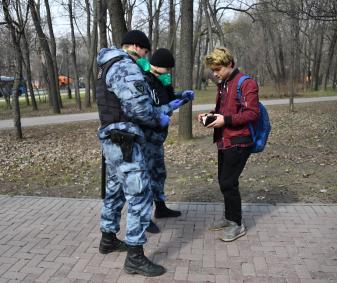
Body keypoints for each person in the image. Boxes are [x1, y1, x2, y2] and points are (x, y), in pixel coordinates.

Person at [96, 30, 187, 277]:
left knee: (114, 191)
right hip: (125, 141)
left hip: (112, 139)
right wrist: (160, 116)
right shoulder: (125, 66)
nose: (145, 58)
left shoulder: (107, 64)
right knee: (140, 195)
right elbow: (139, 107)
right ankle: (135, 256)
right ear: (136, 47)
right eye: (145, 52)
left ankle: (108, 238)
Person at [198, 47, 259, 242]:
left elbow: (252, 113)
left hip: (239, 141)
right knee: (224, 180)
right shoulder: (223, 84)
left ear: (229, 64)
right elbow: (222, 110)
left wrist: (226, 120)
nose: (215, 73)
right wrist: (209, 115)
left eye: (218, 69)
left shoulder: (246, 83)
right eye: (213, 70)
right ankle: (229, 216)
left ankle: (237, 224)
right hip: (223, 140)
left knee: (228, 182)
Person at [137, 48, 194, 233]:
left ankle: (160, 209)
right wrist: (168, 107)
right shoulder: (143, 80)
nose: (169, 72)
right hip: (146, 137)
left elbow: (168, 99)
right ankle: (144, 219)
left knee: (159, 173)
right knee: (145, 178)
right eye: (167, 68)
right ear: (158, 66)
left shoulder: (161, 80)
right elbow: (146, 109)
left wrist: (181, 97)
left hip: (158, 137)